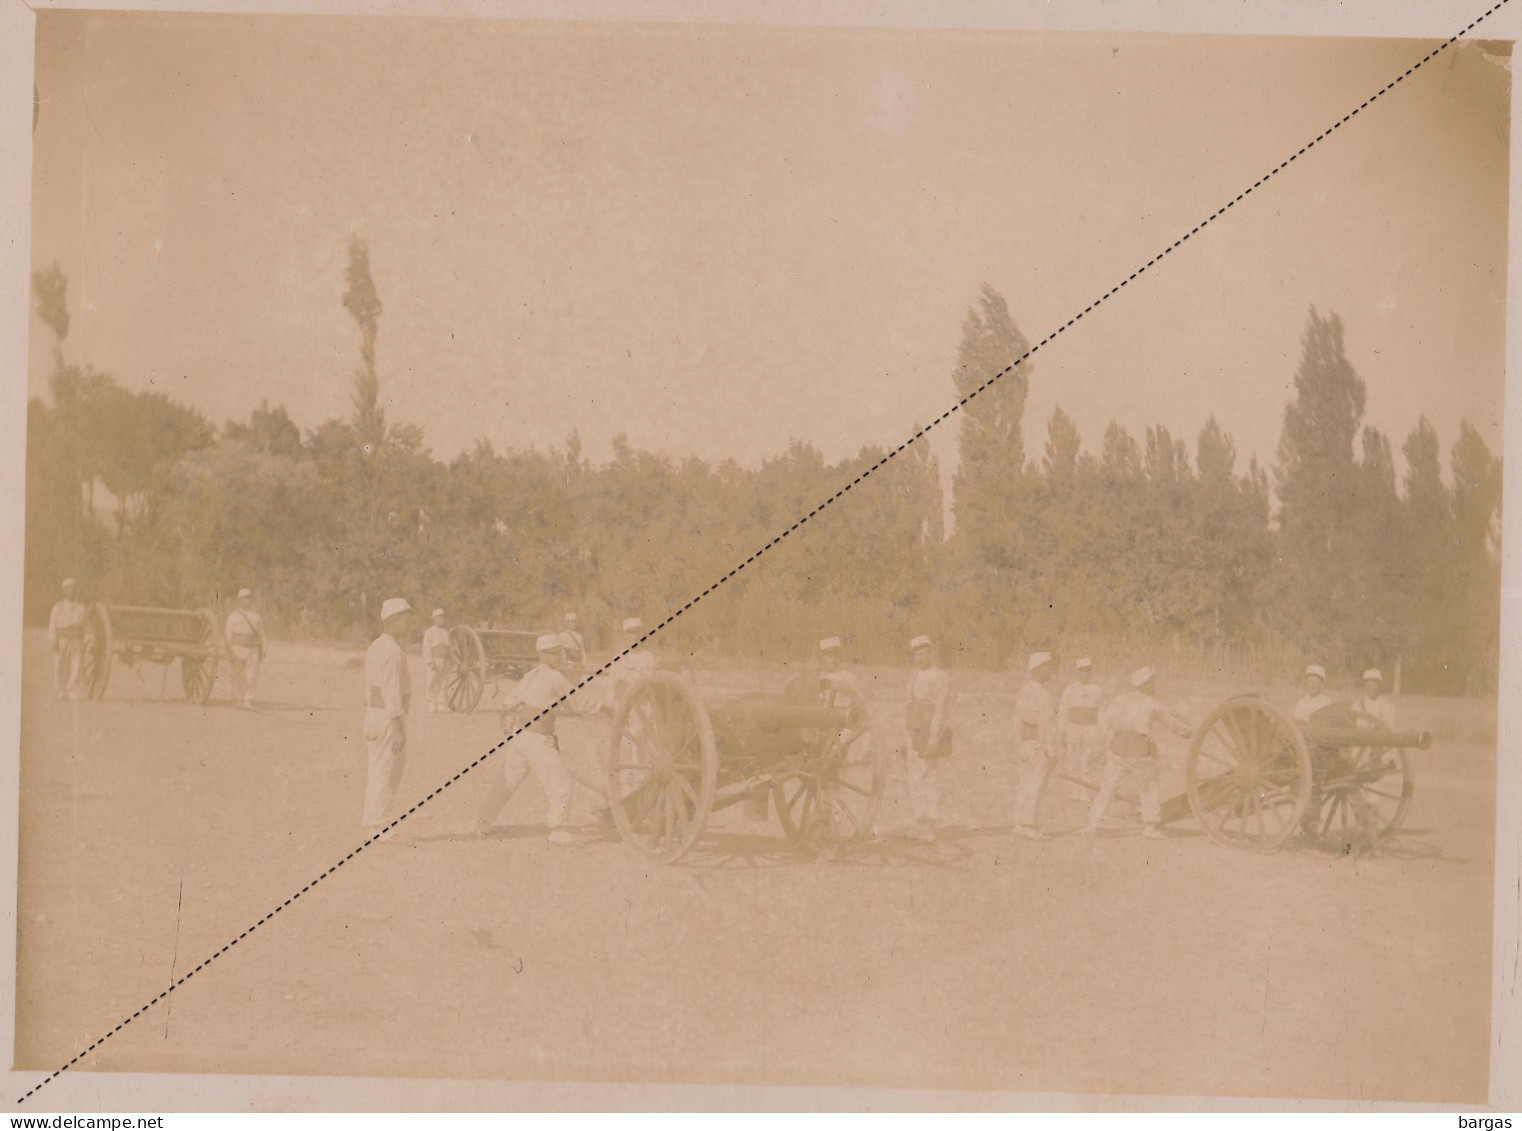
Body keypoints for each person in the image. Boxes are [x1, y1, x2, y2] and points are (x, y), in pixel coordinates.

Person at [477, 634, 579, 846]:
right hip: (537, 738)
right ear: (541, 654)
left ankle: (483, 822)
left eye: (559, 651)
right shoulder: (555, 677)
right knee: (561, 784)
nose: (557, 656)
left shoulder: (532, 674)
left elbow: (510, 700)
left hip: (520, 735)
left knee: (507, 780)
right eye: (551, 652)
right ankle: (558, 830)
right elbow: (577, 703)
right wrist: (605, 708)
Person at [1082, 666, 1192, 839]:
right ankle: (1150, 826)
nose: (1154, 686)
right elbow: (1172, 724)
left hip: (1117, 751)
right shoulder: (1152, 703)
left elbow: (1104, 724)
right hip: (1139, 753)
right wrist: (1187, 732)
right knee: (1149, 789)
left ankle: (1092, 825)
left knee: (1107, 788)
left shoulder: (1119, 700)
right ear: (1145, 684)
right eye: (1152, 682)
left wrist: (1098, 748)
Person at [362, 597, 413, 839]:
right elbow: (391, 691)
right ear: (392, 622)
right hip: (387, 717)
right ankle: (378, 824)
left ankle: (377, 819)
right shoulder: (391, 652)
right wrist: (398, 726)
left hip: (374, 714)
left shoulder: (376, 646)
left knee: (379, 770)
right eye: (404, 619)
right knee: (386, 770)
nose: (409, 624)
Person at [904, 635, 953, 842]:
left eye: (923, 653)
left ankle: (930, 826)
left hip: (929, 730)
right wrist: (905, 734)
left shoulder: (940, 677)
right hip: (914, 730)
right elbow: (909, 705)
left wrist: (934, 738)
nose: (919, 658)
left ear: (931, 654)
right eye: (916, 654)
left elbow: (941, 709)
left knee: (930, 777)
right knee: (914, 778)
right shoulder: (914, 676)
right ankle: (919, 822)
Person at [1012, 651, 1058, 839]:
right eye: (1048, 668)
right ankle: (1027, 824)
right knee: (1035, 784)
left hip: (1025, 743)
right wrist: (1051, 751)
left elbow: (1017, 721)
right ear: (1039, 670)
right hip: (1038, 744)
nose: (1050, 672)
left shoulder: (1023, 691)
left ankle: (1020, 822)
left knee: (1025, 784)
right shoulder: (1042, 694)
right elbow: (1045, 725)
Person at [1057, 657, 1104, 800]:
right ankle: (1074, 790)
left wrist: (1100, 733)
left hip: (1090, 728)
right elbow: (1063, 711)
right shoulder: (1070, 690)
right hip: (1073, 728)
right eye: (1082, 671)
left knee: (1087, 759)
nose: (1084, 674)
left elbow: (1101, 712)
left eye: (1087, 671)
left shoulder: (1096, 690)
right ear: (1077, 673)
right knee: (1073, 758)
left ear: (1090, 673)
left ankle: (1084, 791)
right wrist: (1063, 732)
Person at [224, 588, 267, 710]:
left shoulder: (256, 616)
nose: (246, 601)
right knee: (237, 675)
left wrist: (264, 648)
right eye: (244, 599)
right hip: (237, 649)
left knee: (252, 675)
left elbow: (262, 634)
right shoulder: (233, 616)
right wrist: (229, 647)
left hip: (252, 649)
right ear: (239, 600)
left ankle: (248, 700)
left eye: (249, 599)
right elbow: (228, 632)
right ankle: (238, 700)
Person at [47, 578, 87, 700]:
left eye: (73, 589)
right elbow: (52, 624)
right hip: (62, 638)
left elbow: (86, 625)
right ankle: (60, 689)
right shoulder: (58, 607)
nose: (71, 592)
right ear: (64, 591)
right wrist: (53, 639)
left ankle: (71, 689)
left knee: (75, 664)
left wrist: (87, 637)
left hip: (75, 638)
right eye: (68, 589)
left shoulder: (81, 607)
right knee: (60, 664)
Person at [422, 609, 453, 712]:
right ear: (434, 619)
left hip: (446, 659)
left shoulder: (446, 632)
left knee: (443, 681)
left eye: (442, 617)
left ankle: (440, 703)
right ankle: (431, 702)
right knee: (432, 680)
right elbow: (426, 647)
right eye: (438, 617)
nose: (441, 619)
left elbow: (450, 647)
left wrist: (451, 660)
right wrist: (430, 661)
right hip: (435, 659)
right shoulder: (430, 631)